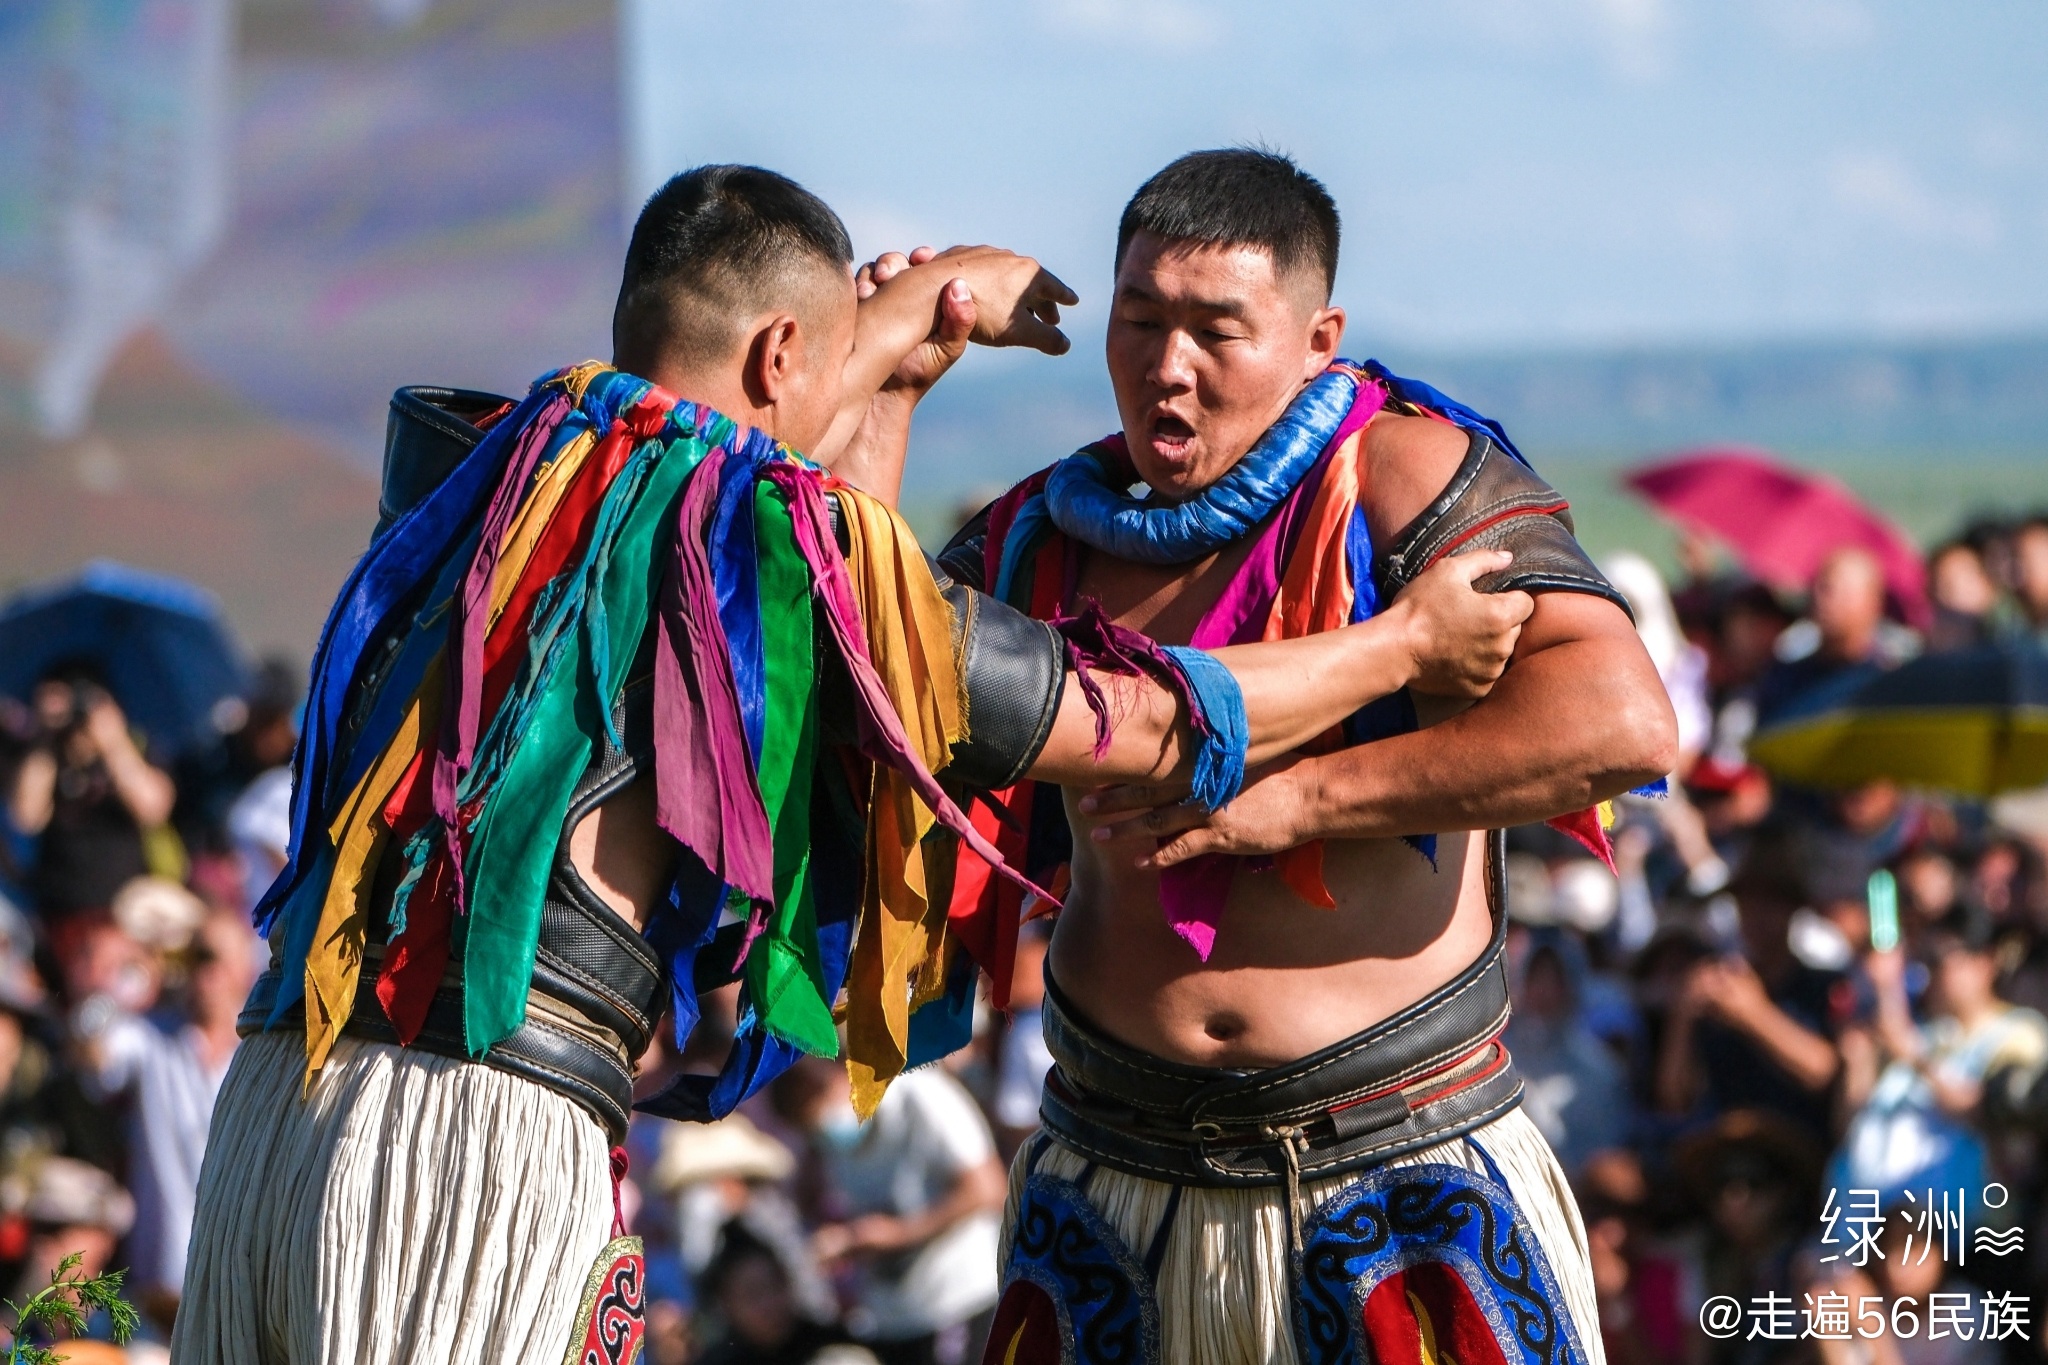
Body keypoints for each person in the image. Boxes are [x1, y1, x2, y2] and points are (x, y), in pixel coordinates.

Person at [175, 165, 1532, 1364]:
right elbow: (1131, 720)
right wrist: (1401, 641)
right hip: (473, 1137)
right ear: (780, 354)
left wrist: (886, 355)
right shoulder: (748, 529)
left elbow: (813, 598)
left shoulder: (483, 470)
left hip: (271, 1112)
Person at [928, 149, 1674, 1365]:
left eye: (1216, 331)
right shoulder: (1037, 535)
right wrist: (888, 379)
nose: (1168, 366)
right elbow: (864, 680)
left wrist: (1302, 800)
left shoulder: (1405, 475)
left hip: (1394, 1168)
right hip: (1108, 1185)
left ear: (1318, 339)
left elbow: (1618, 720)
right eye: (1139, 321)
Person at [73, 906, 258, 1327]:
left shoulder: (260, 1061)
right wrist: (124, 980)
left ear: (241, 969)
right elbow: (92, 1048)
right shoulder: (153, 1038)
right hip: (156, 1292)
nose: (196, 970)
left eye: (207, 957)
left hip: (233, 1296)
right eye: (190, 958)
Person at [782, 1056, 1006, 1364]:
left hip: (961, 1304)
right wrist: (850, 1240)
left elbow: (988, 1189)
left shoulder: (921, 1093)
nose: (822, 1116)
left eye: (818, 1095)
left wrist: (898, 1234)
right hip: (894, 1323)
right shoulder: (827, 1139)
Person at [6, 667, 176, 922]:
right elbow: (26, 818)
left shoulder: (137, 747)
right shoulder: (41, 757)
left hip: (139, 904)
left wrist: (113, 741)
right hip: (66, 910)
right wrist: (45, 736)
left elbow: (152, 810)